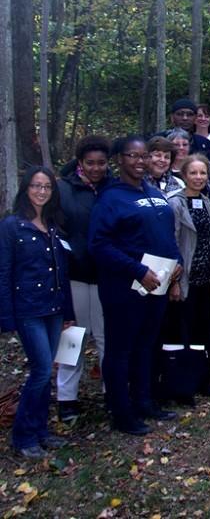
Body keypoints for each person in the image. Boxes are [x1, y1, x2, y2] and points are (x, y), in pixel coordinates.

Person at [89, 136, 183, 435]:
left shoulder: (154, 192)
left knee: (147, 345)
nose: (140, 162)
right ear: (120, 159)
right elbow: (99, 244)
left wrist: (177, 260)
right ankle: (121, 412)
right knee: (120, 350)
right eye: (133, 156)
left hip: (157, 283)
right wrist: (137, 269)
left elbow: (168, 233)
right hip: (124, 286)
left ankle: (145, 401)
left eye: (144, 156)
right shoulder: (110, 197)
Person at [0, 167, 75, 458]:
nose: (41, 191)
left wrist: (67, 310)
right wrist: (6, 316)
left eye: (46, 187)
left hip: (54, 307)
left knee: (47, 372)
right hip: (28, 309)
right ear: (26, 189)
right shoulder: (11, 226)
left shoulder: (54, 225)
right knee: (41, 369)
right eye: (36, 186)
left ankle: (41, 430)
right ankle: (23, 436)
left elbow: (62, 272)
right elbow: (4, 272)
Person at [55, 136, 111, 422]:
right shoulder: (64, 189)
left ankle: (110, 391)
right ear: (80, 163)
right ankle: (67, 397)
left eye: (101, 163)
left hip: (106, 275)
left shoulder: (112, 188)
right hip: (74, 274)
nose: (96, 168)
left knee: (106, 336)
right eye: (90, 163)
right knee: (72, 337)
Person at [164, 155, 210, 401]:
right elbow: (171, 241)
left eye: (203, 173)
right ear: (184, 175)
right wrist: (174, 280)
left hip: (206, 278)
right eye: (193, 173)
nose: (198, 178)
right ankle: (182, 385)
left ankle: (202, 380)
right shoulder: (174, 203)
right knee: (182, 333)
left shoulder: (207, 202)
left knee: (203, 332)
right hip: (184, 280)